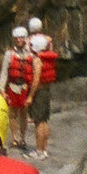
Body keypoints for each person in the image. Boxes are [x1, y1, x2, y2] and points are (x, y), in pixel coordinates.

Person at [0, 27, 37, 150]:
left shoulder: (30, 55)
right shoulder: (9, 54)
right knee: (13, 114)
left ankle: (23, 138)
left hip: (25, 87)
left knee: (24, 114)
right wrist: (1, 89)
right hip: (13, 87)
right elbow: (4, 73)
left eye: (21, 38)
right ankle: (15, 137)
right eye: (17, 38)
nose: (19, 40)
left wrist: (32, 93)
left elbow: (35, 74)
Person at [27, 18, 59, 159]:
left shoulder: (37, 60)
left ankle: (39, 151)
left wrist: (30, 96)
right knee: (44, 120)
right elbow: (48, 45)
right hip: (46, 90)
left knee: (38, 122)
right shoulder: (47, 56)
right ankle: (44, 149)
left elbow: (35, 80)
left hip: (39, 91)